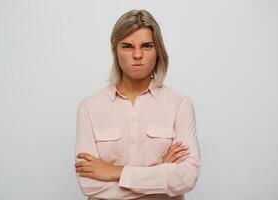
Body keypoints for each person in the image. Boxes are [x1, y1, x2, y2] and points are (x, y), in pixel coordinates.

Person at [74, 9, 201, 200]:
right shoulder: (89, 108)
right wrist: (160, 175)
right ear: (115, 50)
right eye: (127, 46)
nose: (137, 54)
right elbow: (90, 185)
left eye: (147, 46)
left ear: (158, 50)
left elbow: (186, 178)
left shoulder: (180, 104)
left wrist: (114, 171)